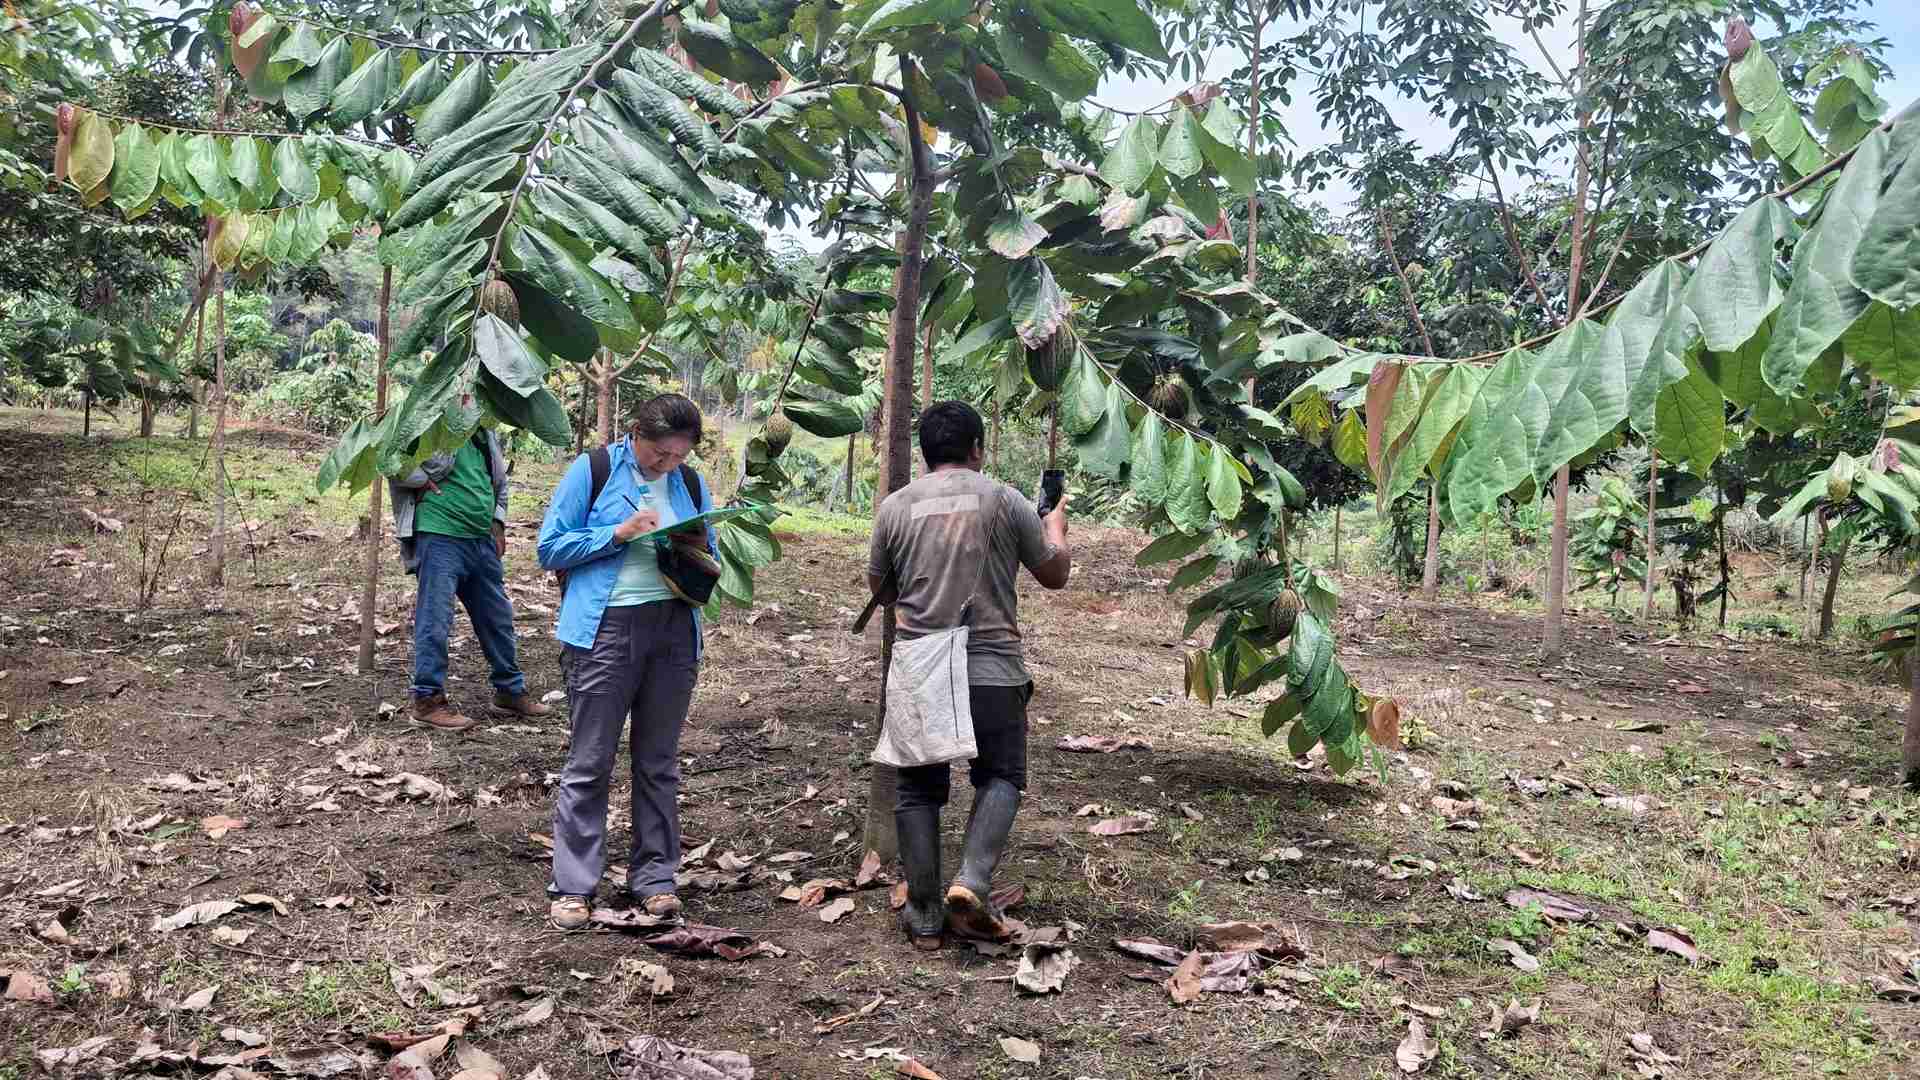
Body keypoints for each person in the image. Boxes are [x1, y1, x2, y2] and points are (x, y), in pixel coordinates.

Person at [867, 401, 1071, 949]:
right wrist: (1056, 529)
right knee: (1001, 774)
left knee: (917, 787)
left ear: (925, 453)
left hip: (921, 666)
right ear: (977, 449)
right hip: (993, 666)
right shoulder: (1005, 500)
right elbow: (1054, 574)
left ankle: (924, 914)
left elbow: (881, 591)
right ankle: (972, 882)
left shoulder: (894, 507)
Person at [536, 393, 717, 931]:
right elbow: (550, 547)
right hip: (606, 628)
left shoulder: (689, 483)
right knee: (591, 760)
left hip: (674, 628)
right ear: (636, 434)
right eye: (660, 453)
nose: (669, 464)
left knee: (659, 761)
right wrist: (617, 534)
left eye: (679, 456)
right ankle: (573, 886)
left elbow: (709, 552)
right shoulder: (592, 470)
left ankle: (656, 878)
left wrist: (697, 543)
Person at [390, 428, 553, 732]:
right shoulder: (424, 419)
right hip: (439, 534)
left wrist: (498, 523)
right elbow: (389, 455)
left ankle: (510, 691)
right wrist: (420, 480)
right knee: (436, 619)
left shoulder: (483, 430)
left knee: (497, 617)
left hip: (480, 538)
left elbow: (499, 481)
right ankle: (427, 701)